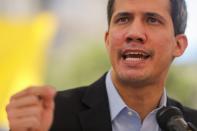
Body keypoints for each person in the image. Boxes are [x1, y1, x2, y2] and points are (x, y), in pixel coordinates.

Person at [6, 0, 197, 131]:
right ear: (107, 40)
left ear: (178, 45)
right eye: (123, 19)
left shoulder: (191, 124)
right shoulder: (50, 117)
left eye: (152, 20)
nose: (134, 33)